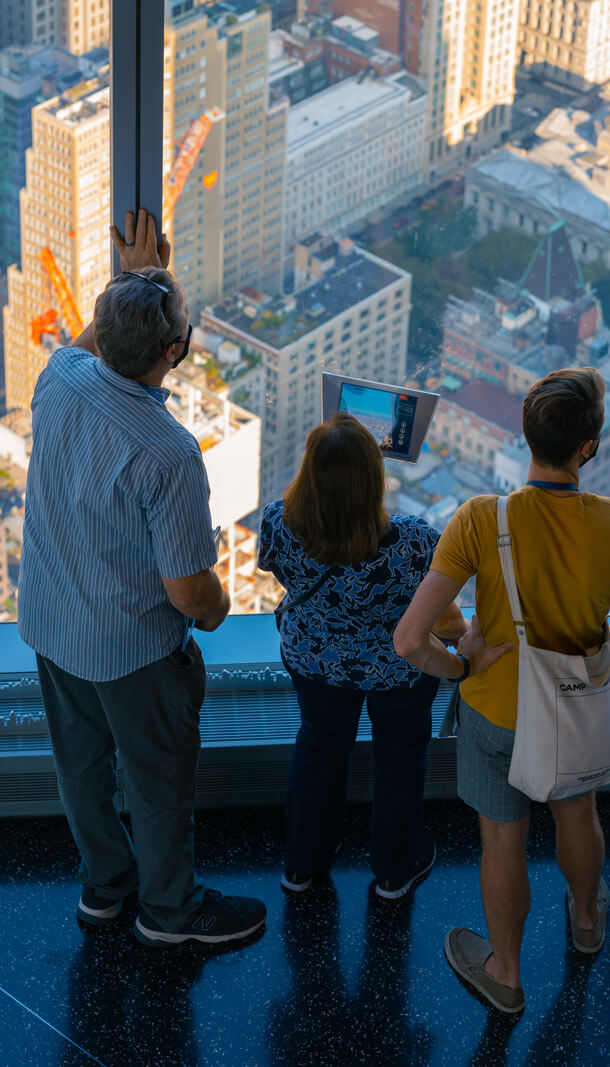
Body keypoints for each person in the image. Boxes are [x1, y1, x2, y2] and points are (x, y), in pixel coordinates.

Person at [18, 209, 266, 948]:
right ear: (177, 350)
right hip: (132, 651)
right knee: (157, 786)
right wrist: (220, 609)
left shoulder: (59, 377)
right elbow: (191, 592)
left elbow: (101, 335)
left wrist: (140, 276)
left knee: (82, 769)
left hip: (54, 625)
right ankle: (170, 912)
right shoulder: (168, 451)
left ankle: (106, 888)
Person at [394, 367, 610, 1012]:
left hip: (494, 713)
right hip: (572, 711)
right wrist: (594, 660)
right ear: (588, 447)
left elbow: (409, 640)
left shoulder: (482, 518)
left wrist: (463, 666)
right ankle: (587, 919)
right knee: (578, 816)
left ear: (526, 433)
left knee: (502, 842)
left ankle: (506, 975)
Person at [258, 413, 512, 900]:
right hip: (400, 670)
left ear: (308, 472)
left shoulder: (278, 521)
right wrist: (463, 645)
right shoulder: (412, 540)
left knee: (318, 749)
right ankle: (394, 872)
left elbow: (278, 572)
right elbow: (439, 618)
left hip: (315, 660)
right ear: (376, 480)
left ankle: (301, 865)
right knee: (399, 759)